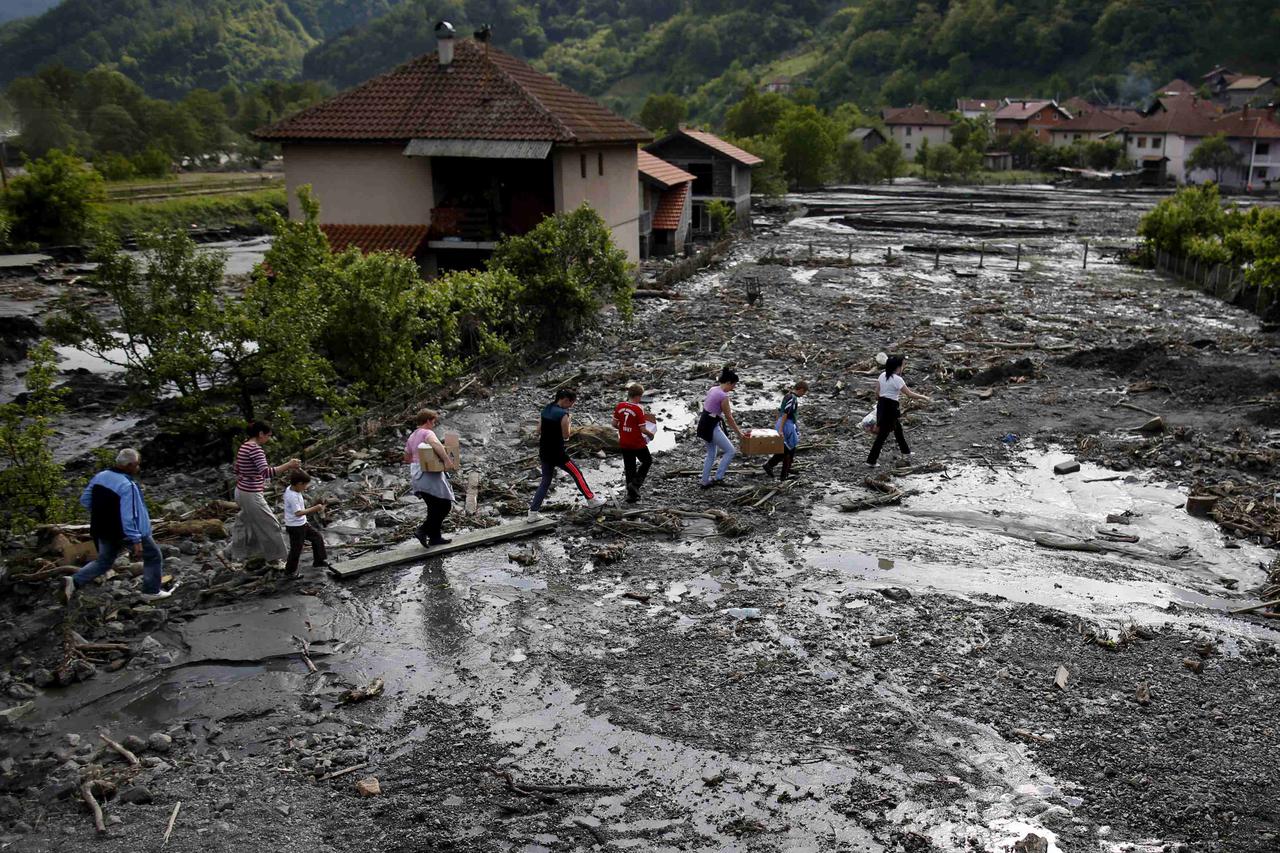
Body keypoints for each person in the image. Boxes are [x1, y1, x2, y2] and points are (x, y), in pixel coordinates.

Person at [64, 448, 173, 603]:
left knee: (104, 561)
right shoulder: (127, 485)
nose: (138, 468)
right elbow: (129, 515)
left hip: (101, 528)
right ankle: (151, 591)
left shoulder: (101, 477)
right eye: (137, 465)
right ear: (130, 465)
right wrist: (135, 538)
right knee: (153, 556)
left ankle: (74, 581)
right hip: (124, 532)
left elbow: (85, 500)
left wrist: (103, 514)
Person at [529, 388, 606, 520]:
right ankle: (591, 500)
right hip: (558, 453)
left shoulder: (546, 409)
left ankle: (532, 513)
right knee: (577, 473)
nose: (571, 406)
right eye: (571, 403)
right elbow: (566, 436)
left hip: (544, 451)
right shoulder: (563, 414)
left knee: (545, 481)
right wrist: (568, 421)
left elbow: (538, 430)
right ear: (565, 400)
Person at [231, 421, 300, 564]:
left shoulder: (243, 446)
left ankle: (229, 554)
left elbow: (237, 470)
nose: (268, 439)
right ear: (260, 434)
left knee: (250, 527)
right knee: (271, 525)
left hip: (241, 491)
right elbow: (266, 472)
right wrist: (289, 465)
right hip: (251, 494)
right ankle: (278, 559)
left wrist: (250, 476)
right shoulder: (255, 449)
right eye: (268, 435)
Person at [866, 355, 931, 468]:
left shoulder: (882, 376)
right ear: (897, 367)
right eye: (903, 365)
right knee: (882, 435)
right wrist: (924, 397)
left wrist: (881, 401)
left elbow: (877, 393)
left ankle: (905, 451)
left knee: (898, 429)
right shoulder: (897, 379)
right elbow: (909, 394)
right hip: (891, 408)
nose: (903, 367)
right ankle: (871, 460)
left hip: (882, 405)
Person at [410, 409, 458, 547]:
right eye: (433, 421)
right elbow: (436, 445)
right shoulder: (427, 432)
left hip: (416, 474)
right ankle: (422, 530)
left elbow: (407, 456)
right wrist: (447, 460)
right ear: (428, 420)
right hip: (428, 475)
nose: (434, 424)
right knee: (444, 505)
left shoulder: (413, 435)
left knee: (433, 507)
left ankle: (435, 538)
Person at [698, 367, 745, 488]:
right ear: (729, 382)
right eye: (734, 385)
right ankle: (718, 478)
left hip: (703, 423)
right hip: (711, 425)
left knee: (711, 453)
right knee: (730, 451)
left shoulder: (713, 389)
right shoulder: (723, 396)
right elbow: (729, 418)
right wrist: (739, 434)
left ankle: (704, 481)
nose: (733, 388)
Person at [283, 470, 329, 574]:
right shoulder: (292, 496)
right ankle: (289, 572)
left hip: (302, 524)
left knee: (317, 538)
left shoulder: (293, 489)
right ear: (299, 484)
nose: (306, 488)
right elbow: (298, 513)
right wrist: (315, 508)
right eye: (305, 485)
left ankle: (319, 561)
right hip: (295, 527)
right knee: (296, 550)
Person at [613, 383, 653, 503]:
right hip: (636, 442)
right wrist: (651, 434)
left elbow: (614, 424)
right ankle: (635, 484)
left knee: (629, 466)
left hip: (624, 441)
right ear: (638, 396)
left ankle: (631, 496)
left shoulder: (620, 406)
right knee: (647, 461)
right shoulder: (638, 408)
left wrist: (624, 428)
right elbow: (642, 429)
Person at [764, 380, 808, 481]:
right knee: (788, 449)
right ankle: (772, 466)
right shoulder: (792, 398)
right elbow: (786, 414)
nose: (803, 394)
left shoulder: (788, 395)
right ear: (801, 390)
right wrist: (780, 429)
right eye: (804, 392)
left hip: (785, 423)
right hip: (786, 424)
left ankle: (784, 472)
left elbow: (780, 410)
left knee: (790, 449)